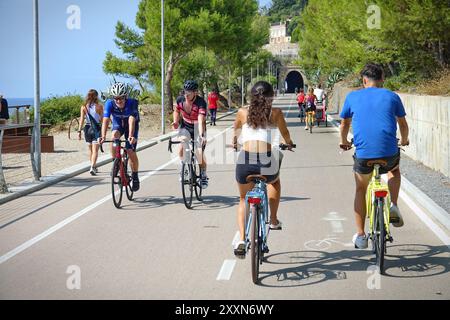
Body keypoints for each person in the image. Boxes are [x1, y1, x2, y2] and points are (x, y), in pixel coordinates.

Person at [339, 63, 409, 249]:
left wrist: (344, 141)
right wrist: (404, 139)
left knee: (361, 189)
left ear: (364, 80)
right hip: (389, 153)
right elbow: (402, 124)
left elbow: (344, 124)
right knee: (394, 170)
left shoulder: (352, 96)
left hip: (364, 156)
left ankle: (361, 236)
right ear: (382, 79)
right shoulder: (392, 96)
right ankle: (393, 204)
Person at [232, 81, 295, 257]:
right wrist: (288, 144)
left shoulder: (242, 112)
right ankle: (273, 220)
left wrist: (235, 143)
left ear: (252, 96)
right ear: (272, 96)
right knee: (274, 183)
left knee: (244, 198)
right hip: (267, 161)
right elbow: (285, 134)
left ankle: (242, 240)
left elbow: (236, 130)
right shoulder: (275, 113)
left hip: (245, 160)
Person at [99, 82, 141, 192]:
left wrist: (131, 136)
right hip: (118, 125)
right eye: (116, 98)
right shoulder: (109, 103)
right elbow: (106, 120)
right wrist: (102, 136)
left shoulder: (132, 103)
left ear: (125, 96)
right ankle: (116, 163)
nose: (118, 101)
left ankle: (135, 176)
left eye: (121, 98)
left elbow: (131, 119)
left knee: (130, 150)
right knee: (114, 137)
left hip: (131, 127)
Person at [171, 80, 209, 189]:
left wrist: (202, 135)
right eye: (185, 92)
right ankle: (184, 169)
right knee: (181, 148)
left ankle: (203, 174)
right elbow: (176, 111)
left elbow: (201, 119)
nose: (186, 95)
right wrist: (176, 121)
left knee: (198, 153)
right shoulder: (180, 100)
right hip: (186, 126)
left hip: (198, 127)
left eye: (189, 93)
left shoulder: (200, 102)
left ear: (195, 93)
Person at [78, 90, 103, 175]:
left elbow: (81, 119)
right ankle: (92, 166)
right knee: (95, 150)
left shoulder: (84, 107)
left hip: (87, 128)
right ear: (96, 96)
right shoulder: (99, 106)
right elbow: (102, 119)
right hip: (96, 129)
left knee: (90, 150)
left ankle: (93, 166)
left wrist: (79, 131)